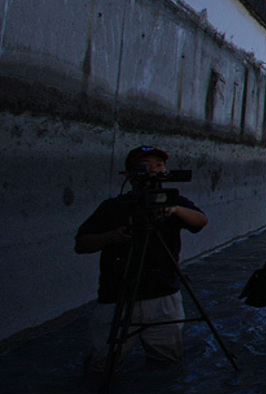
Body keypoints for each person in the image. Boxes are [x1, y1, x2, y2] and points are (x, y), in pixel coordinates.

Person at [75, 145, 208, 371]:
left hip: (163, 292)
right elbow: (82, 244)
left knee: (167, 362)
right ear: (129, 174)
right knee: (100, 366)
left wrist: (174, 210)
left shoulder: (174, 203)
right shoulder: (114, 207)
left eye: (159, 165)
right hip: (118, 295)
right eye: (145, 166)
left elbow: (200, 222)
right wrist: (113, 236)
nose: (154, 171)